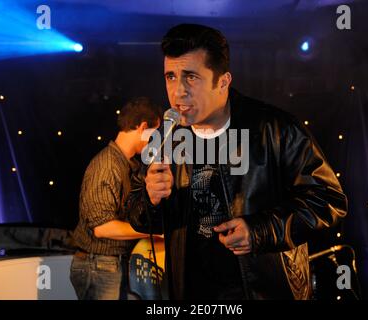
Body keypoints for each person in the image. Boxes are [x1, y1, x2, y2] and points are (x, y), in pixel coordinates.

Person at [127, 24, 348, 300]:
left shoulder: (275, 129)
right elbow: (137, 214)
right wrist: (151, 198)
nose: (178, 91)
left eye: (191, 77)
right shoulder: (165, 139)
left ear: (223, 81)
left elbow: (328, 201)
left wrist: (260, 231)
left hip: (263, 291)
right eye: (170, 76)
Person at [70, 97, 161, 300]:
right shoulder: (107, 165)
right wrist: (153, 234)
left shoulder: (129, 165)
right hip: (99, 265)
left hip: (110, 264)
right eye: (155, 133)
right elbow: (102, 228)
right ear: (143, 127)